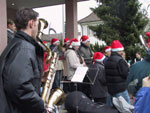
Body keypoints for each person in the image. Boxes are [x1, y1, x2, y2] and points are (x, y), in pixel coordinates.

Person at [0, 8, 49, 113]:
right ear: (31, 23)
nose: (37, 29)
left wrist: (37, 77)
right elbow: (19, 87)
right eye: (37, 24)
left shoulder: (16, 43)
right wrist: (41, 106)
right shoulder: (24, 48)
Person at [105, 40, 130, 105]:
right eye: (121, 50)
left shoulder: (108, 60)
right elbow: (125, 74)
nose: (122, 52)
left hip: (110, 89)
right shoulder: (120, 60)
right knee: (126, 108)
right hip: (120, 89)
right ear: (119, 50)